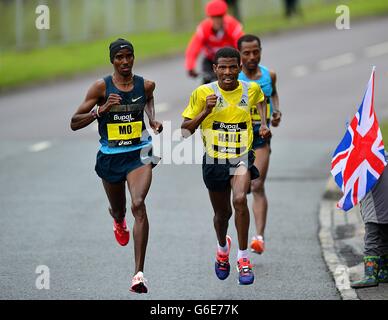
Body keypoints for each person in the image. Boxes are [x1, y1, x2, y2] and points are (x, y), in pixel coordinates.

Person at [70, 38, 163, 294]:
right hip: (111, 156)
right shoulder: (101, 87)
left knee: (138, 204)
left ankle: (138, 274)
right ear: (112, 60)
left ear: (134, 57)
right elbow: (74, 122)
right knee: (121, 209)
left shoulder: (145, 84)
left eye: (129, 56)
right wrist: (100, 111)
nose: (125, 61)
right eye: (119, 57)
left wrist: (152, 121)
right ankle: (118, 220)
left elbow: (149, 98)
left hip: (139, 153)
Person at [181, 47, 271, 285]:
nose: (228, 72)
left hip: (240, 156)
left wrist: (262, 123)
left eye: (233, 67)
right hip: (213, 159)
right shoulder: (203, 93)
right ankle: (223, 248)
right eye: (223, 67)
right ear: (215, 69)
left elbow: (261, 100)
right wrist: (205, 111)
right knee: (222, 215)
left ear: (240, 68)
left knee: (240, 199)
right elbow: (184, 130)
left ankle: (243, 259)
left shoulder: (250, 89)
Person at [237, 34, 282, 254]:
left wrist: (276, 112)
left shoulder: (268, 75)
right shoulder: (233, 77)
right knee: (241, 190)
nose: (252, 56)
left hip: (261, 136)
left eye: (256, 52)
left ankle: (259, 237)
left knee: (257, 185)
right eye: (247, 53)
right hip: (238, 138)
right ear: (240, 55)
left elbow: (273, 96)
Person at [351, 153, 388, 288]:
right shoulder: (384, 157)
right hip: (385, 209)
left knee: (371, 241)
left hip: (375, 209)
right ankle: (384, 272)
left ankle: (370, 275)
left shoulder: (366, 162)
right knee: (384, 239)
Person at [185, 0, 243, 84]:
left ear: (224, 16)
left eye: (220, 17)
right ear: (209, 17)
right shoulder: (203, 28)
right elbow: (193, 49)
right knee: (205, 85)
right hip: (210, 61)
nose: (217, 21)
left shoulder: (233, 26)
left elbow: (241, 46)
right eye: (214, 17)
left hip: (230, 61)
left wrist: (242, 62)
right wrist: (190, 67)